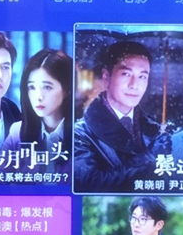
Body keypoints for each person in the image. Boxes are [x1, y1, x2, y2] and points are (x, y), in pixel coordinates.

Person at [73, 40, 171, 193]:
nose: (134, 85)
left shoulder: (156, 130)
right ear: (106, 76)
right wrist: (148, 157)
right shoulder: (80, 133)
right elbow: (90, 185)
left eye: (142, 77)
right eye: (126, 74)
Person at [1, 49, 72, 176]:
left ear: (66, 90)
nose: (38, 96)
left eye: (47, 87)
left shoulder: (83, 135)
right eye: (32, 87)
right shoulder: (18, 132)